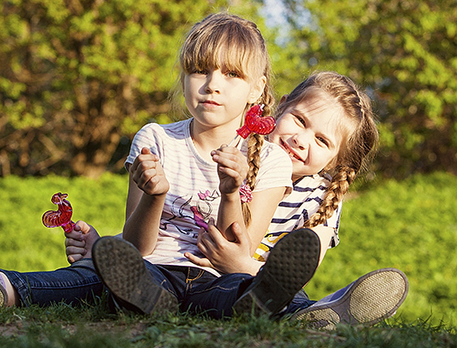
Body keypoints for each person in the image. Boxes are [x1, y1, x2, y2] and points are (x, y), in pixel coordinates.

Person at [0, 13, 318, 317]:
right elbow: (137, 247)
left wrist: (231, 192)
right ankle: (1, 285)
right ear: (184, 77)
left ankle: (284, 308)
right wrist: (155, 197)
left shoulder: (270, 160)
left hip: (217, 279)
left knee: (240, 290)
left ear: (257, 88)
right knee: (100, 273)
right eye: (199, 70)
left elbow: (240, 249)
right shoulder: (156, 140)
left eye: (231, 74)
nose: (212, 83)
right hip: (150, 269)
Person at [88, 70, 409, 326]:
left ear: (337, 160)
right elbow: (180, 218)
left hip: (257, 286)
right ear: (281, 106)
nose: (300, 140)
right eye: (299, 120)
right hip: (197, 274)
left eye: (322, 140)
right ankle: (317, 315)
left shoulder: (322, 197)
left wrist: (241, 266)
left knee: (280, 293)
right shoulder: (236, 156)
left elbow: (300, 266)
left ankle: (323, 313)